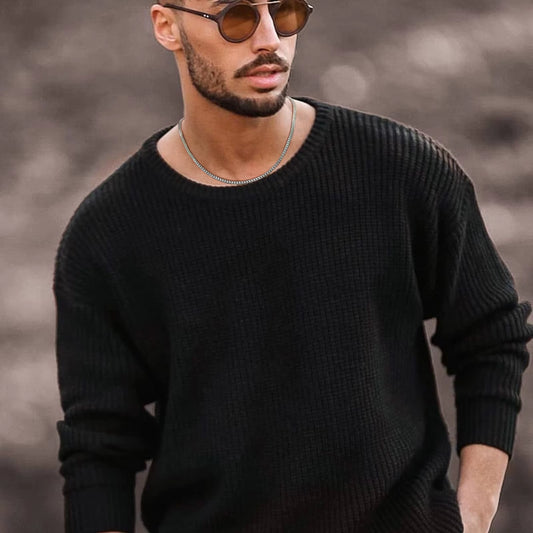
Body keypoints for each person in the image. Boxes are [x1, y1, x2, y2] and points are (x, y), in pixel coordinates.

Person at [53, 1, 533, 532]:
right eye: (236, 16)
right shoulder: (108, 232)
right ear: (168, 26)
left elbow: (492, 336)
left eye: (284, 12)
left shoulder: (400, 169)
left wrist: (472, 516)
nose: (268, 39)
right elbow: (98, 447)